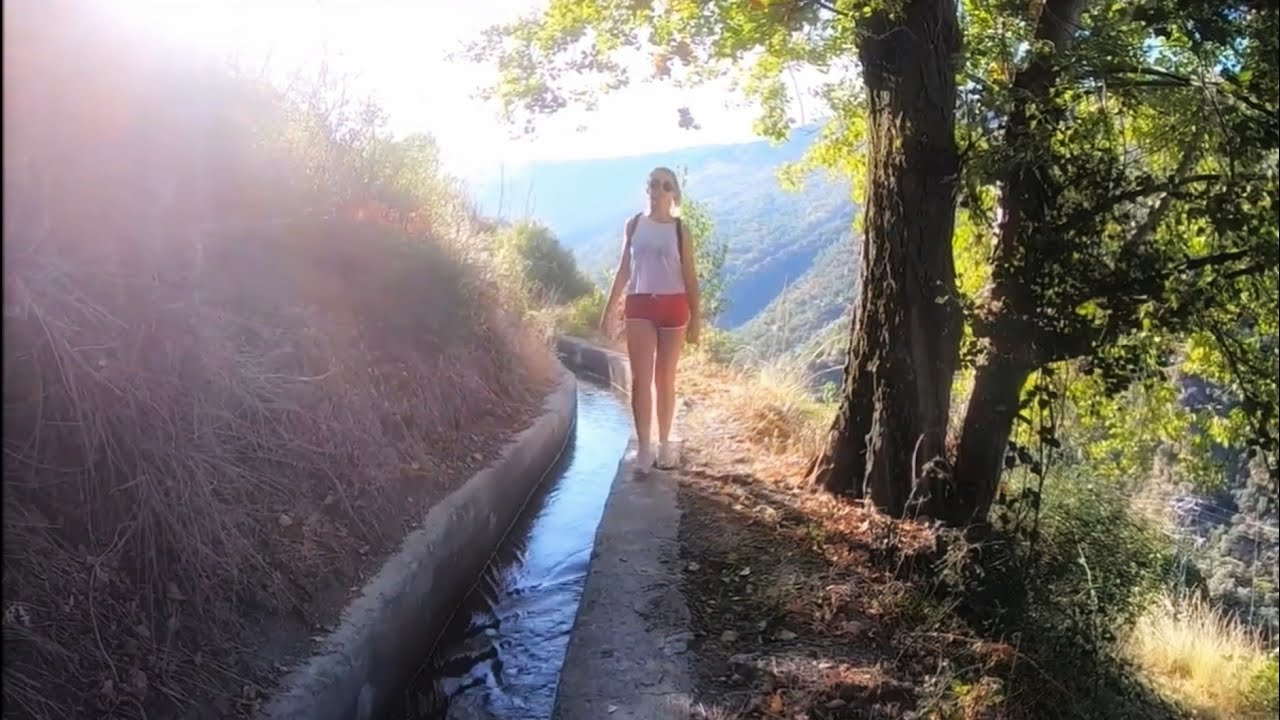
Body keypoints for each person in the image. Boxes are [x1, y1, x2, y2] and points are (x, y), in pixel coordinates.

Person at [599, 166, 701, 471]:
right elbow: (623, 270)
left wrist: (697, 318)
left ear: (674, 194)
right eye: (654, 184)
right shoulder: (634, 225)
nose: (658, 190)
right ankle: (644, 447)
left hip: (674, 306)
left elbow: (691, 277)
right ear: (648, 189)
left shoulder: (680, 230)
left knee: (665, 378)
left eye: (666, 185)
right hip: (640, 304)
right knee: (641, 379)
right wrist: (608, 310)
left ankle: (665, 442)